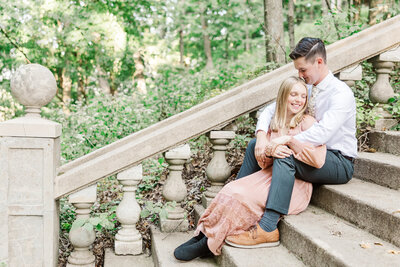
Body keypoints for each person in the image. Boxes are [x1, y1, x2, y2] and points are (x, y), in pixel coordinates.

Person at [173, 76, 327, 261]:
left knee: (242, 196)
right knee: (231, 189)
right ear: (284, 95)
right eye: (294, 94)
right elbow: (263, 162)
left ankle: (209, 243)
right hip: (269, 175)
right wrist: (270, 151)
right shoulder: (275, 124)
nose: (298, 100)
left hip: (293, 183)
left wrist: (291, 143)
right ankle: (204, 233)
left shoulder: (307, 122)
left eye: (303, 96)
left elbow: (318, 159)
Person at [225, 37, 356, 248]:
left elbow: (322, 134)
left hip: (337, 161)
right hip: (309, 152)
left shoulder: (341, 94)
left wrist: (286, 140)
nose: (300, 75)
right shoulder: (308, 87)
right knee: (253, 146)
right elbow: (271, 109)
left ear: (319, 62)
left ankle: (267, 228)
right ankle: (233, 201)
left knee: (285, 155)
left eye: (303, 70)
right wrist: (261, 136)